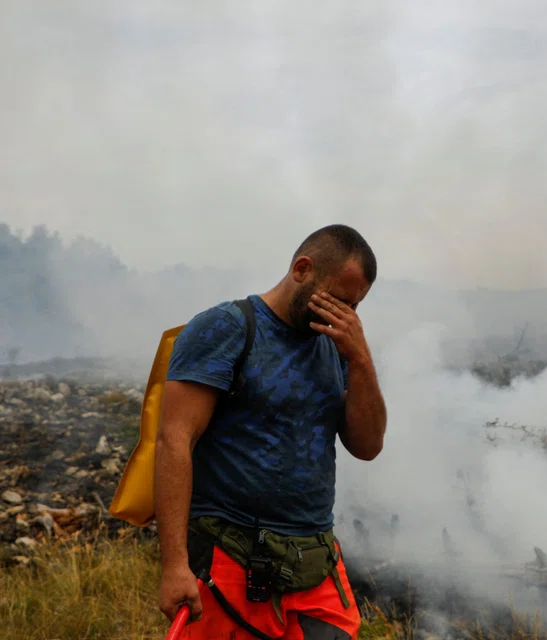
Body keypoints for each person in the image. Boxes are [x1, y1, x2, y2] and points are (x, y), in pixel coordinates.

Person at [154, 224, 387, 640]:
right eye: (338, 299)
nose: (345, 315)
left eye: (354, 306)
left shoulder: (337, 345)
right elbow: (175, 441)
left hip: (315, 557)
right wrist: (175, 565)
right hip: (228, 555)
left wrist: (362, 358)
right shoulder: (226, 328)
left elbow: (368, 447)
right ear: (302, 269)